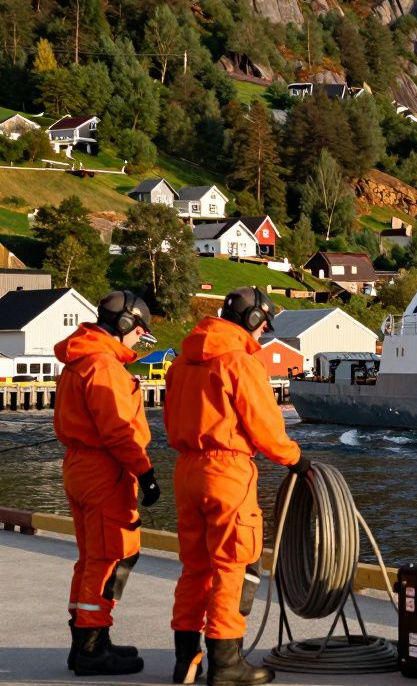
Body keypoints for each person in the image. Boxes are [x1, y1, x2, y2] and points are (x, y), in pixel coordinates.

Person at [165, 286, 309, 686]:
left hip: (186, 471)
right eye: (263, 326)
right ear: (252, 321)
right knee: (234, 567)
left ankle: (185, 661)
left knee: (194, 568)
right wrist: (297, 461)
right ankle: (227, 663)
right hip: (227, 473)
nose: (263, 334)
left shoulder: (180, 364)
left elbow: (170, 421)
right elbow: (266, 428)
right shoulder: (241, 364)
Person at [54, 290, 159, 676]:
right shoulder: (104, 366)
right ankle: (92, 646)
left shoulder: (78, 361)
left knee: (91, 558)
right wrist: (145, 472)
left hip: (79, 467)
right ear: (126, 324)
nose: (138, 340)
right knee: (113, 555)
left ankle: (87, 639)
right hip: (104, 471)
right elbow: (118, 430)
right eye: (138, 332)